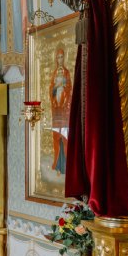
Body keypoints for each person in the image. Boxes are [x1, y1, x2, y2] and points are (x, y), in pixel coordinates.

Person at [49, 46, 72, 175]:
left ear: (64, 58)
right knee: (56, 137)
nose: (60, 59)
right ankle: (58, 166)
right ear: (56, 59)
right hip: (56, 111)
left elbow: (69, 88)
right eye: (58, 57)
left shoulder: (66, 73)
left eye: (62, 57)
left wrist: (63, 88)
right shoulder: (54, 73)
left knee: (64, 136)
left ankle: (66, 166)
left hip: (64, 111)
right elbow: (51, 90)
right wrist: (55, 89)